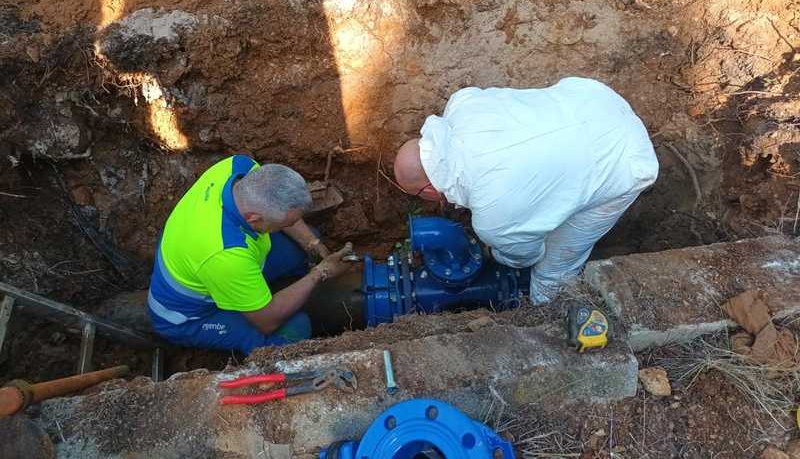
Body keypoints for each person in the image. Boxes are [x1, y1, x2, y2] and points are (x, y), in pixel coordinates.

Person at [393, 77, 658, 303]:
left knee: (551, 271)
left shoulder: (494, 216)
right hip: (593, 99)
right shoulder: (462, 103)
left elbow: (524, 257)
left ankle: (546, 312)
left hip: (624, 163)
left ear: (428, 191)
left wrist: (493, 252)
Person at [148, 154, 351, 354]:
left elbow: (284, 211)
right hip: (189, 316)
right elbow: (266, 322)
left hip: (215, 260)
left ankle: (257, 293)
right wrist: (320, 273)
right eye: (286, 224)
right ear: (253, 219)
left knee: (302, 245)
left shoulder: (239, 167)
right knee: (295, 328)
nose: (291, 225)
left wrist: (312, 244)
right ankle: (257, 304)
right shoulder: (227, 255)